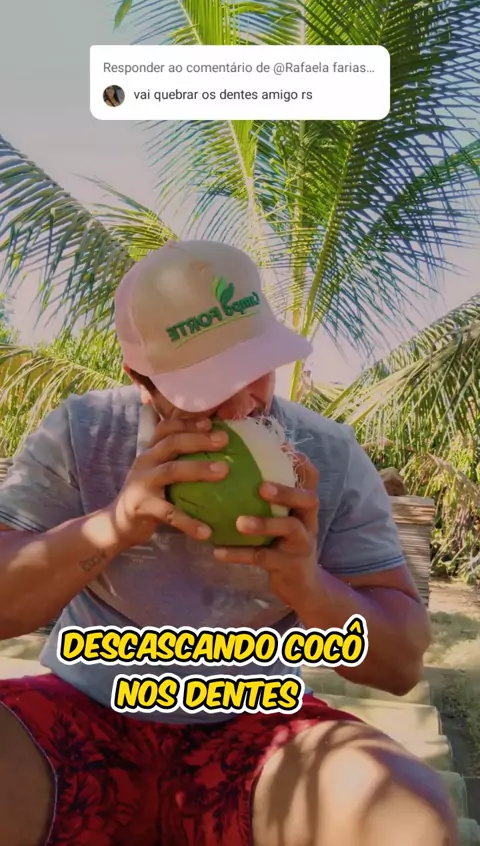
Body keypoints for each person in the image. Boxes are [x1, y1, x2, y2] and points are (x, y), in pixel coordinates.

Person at [0, 240, 457, 846]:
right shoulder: (85, 432)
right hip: (85, 709)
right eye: (207, 386)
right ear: (142, 381)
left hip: (256, 725)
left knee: (407, 818)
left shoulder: (329, 455)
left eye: (254, 368)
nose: (243, 403)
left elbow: (401, 665)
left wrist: (307, 585)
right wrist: (114, 525)